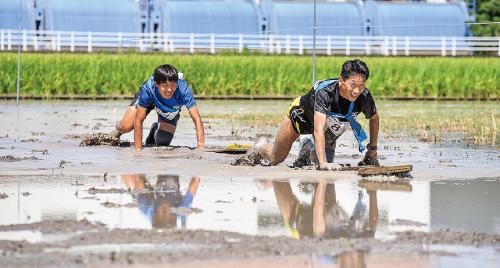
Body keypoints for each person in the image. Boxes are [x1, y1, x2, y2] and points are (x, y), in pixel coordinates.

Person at [254, 59, 379, 170]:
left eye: (361, 85)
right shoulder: (325, 92)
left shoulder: (364, 96)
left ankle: (308, 148)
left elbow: (374, 117)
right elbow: (318, 129)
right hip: (302, 117)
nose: (357, 90)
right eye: (353, 85)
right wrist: (323, 163)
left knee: (326, 165)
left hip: (328, 127)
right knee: (275, 159)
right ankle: (260, 146)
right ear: (341, 80)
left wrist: (372, 150)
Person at [110, 64, 205, 151]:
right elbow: (139, 119)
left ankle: (154, 129)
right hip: (149, 99)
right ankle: (118, 131)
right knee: (125, 126)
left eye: (173, 85)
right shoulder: (147, 89)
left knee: (163, 141)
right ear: (156, 84)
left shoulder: (184, 90)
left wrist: (200, 146)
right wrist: (138, 149)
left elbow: (196, 118)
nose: (169, 89)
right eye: (165, 85)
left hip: (168, 108)